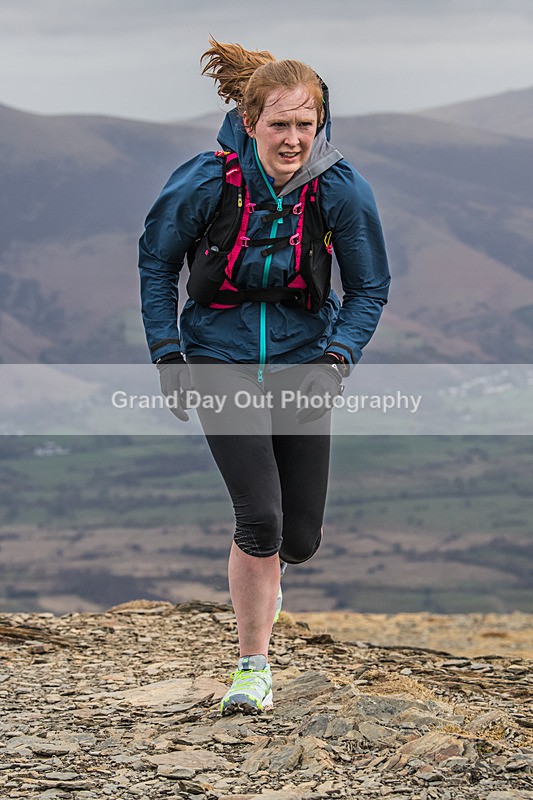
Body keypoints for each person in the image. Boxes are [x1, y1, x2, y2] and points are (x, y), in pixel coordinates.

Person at [138, 38, 390, 715]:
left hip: (303, 358)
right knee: (260, 519)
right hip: (217, 355)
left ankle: (267, 585)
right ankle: (253, 667)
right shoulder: (207, 180)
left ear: (321, 123)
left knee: (298, 539)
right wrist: (167, 355)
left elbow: (369, 286)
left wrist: (337, 359)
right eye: (279, 124)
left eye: (305, 124)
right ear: (250, 122)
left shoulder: (339, 188)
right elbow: (156, 261)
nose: (293, 139)